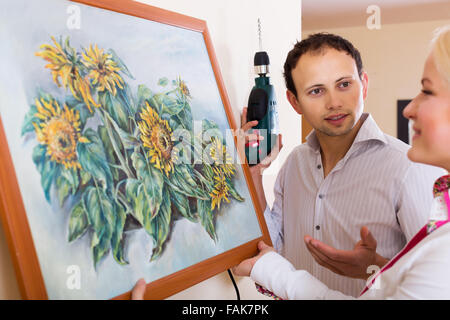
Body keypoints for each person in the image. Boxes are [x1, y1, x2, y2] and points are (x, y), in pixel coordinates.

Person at [232, 25, 450, 299]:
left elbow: (433, 276)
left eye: (344, 84)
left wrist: (375, 269)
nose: (334, 102)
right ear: (294, 101)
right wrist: (253, 175)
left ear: (364, 84)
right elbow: (273, 248)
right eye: (316, 91)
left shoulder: (409, 168)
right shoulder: (294, 165)